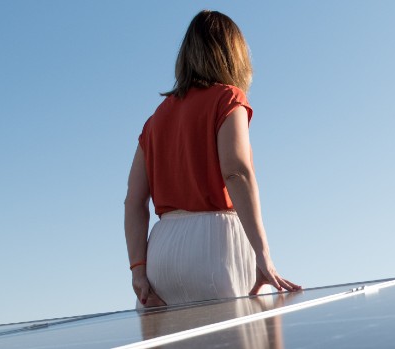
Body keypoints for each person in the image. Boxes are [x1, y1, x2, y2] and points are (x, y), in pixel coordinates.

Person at [124, 9, 301, 308]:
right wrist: (262, 254)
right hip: (216, 244)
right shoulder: (228, 98)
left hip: (162, 252)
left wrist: (138, 271)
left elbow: (133, 201)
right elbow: (236, 173)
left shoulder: (154, 121)